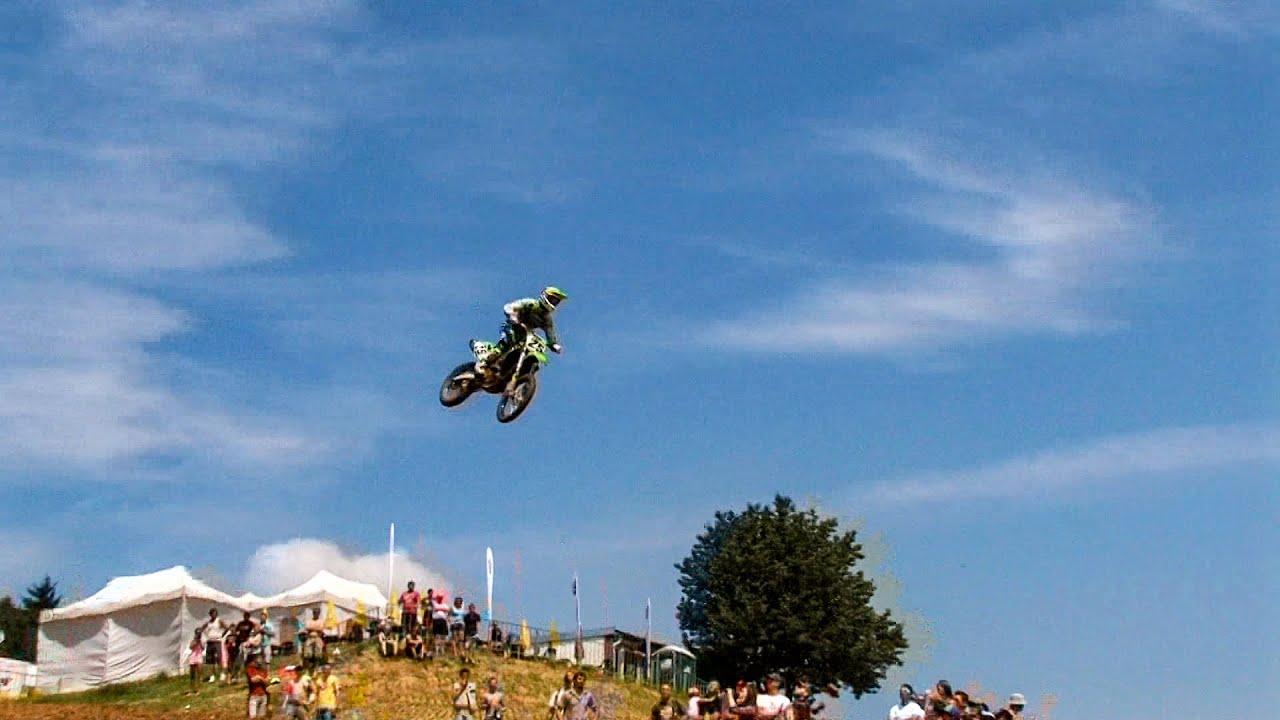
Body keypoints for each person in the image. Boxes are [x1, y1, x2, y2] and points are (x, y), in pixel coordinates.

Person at [474, 286, 568, 374]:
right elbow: (510, 306)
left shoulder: (547, 318)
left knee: (528, 347)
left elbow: (550, 331)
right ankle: (485, 361)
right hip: (511, 326)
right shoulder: (531, 303)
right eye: (552, 299)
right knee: (509, 340)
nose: (554, 302)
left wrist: (554, 344)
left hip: (526, 334)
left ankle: (513, 369)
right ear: (545, 296)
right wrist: (513, 315)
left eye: (556, 301)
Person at [199, 608, 230, 684]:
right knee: (210, 660)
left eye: (214, 613)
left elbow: (227, 628)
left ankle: (222, 674)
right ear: (210, 614)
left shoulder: (219, 621)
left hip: (217, 641)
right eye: (212, 613)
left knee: (219, 658)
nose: (213, 615)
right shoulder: (209, 622)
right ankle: (212, 676)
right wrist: (204, 634)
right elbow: (202, 628)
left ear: (216, 614)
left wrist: (222, 634)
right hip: (210, 641)